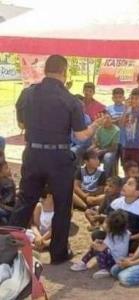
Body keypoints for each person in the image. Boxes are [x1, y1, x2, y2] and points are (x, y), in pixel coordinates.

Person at [11, 55, 103, 264]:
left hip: (33, 153)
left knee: (25, 201)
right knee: (62, 205)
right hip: (59, 156)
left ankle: (8, 247)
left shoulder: (27, 93)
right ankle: (58, 253)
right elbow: (80, 136)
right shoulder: (70, 100)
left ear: (46, 70)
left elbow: (22, 122)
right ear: (64, 72)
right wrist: (96, 125)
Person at [71, 210, 130, 279]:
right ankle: (83, 262)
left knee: (98, 249)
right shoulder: (126, 233)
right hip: (120, 257)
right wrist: (100, 242)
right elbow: (116, 244)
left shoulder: (111, 236)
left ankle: (103, 269)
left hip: (114, 261)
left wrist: (93, 245)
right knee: (100, 245)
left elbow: (100, 248)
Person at [110, 177, 139, 250]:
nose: (125, 185)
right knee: (97, 234)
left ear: (137, 193)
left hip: (131, 238)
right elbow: (107, 220)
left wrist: (129, 238)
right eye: (126, 183)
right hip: (114, 235)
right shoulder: (116, 203)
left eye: (130, 184)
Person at [120, 88, 139, 176]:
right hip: (126, 145)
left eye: (136, 99)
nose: (133, 100)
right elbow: (121, 124)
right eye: (132, 98)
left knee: (137, 167)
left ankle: (138, 183)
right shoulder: (127, 112)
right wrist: (125, 110)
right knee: (126, 166)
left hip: (137, 146)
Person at [89, 111, 119, 177]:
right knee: (89, 153)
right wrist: (93, 148)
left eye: (108, 118)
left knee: (107, 157)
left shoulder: (116, 130)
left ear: (111, 120)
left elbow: (114, 147)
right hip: (101, 148)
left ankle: (105, 177)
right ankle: (91, 175)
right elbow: (96, 143)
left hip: (110, 150)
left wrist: (102, 151)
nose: (106, 120)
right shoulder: (100, 128)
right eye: (104, 118)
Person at [29, 187, 54, 251]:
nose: (40, 199)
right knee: (25, 233)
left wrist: (42, 239)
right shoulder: (39, 206)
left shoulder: (58, 208)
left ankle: (42, 244)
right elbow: (34, 225)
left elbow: (53, 229)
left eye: (43, 197)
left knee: (60, 238)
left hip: (52, 235)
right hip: (39, 234)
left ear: (49, 196)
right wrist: (38, 236)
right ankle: (40, 244)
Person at [70, 96, 92, 166]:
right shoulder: (69, 116)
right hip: (71, 144)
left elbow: (84, 139)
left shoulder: (86, 119)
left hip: (82, 145)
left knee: (72, 151)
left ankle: (76, 173)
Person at [106, 88, 126, 163]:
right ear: (112, 98)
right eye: (116, 97)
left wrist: (114, 121)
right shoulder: (108, 108)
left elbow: (127, 122)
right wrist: (118, 121)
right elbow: (107, 123)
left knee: (125, 161)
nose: (118, 99)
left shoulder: (127, 108)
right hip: (113, 139)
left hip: (124, 139)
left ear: (123, 98)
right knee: (112, 162)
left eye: (120, 97)